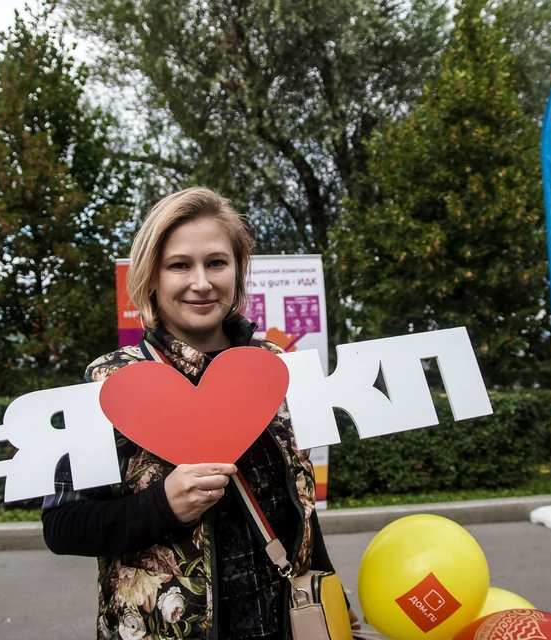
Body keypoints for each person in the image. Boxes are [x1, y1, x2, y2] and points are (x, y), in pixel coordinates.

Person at [42, 187, 358, 639]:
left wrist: (333, 597)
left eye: (216, 262)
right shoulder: (109, 383)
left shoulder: (275, 368)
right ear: (151, 278)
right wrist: (162, 506)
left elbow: (300, 505)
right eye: (179, 265)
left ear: (237, 271)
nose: (202, 282)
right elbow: (61, 526)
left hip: (282, 625)